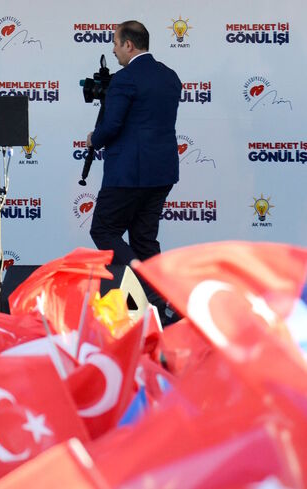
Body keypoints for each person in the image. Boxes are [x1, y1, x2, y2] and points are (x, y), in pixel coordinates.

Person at [86, 20, 181, 322]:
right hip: (162, 172)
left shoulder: (124, 80)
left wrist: (93, 138)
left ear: (129, 44)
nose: (113, 50)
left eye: (115, 43)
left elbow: (111, 127)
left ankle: (153, 295)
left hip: (129, 173)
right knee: (144, 240)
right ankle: (167, 305)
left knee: (103, 230)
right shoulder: (170, 77)